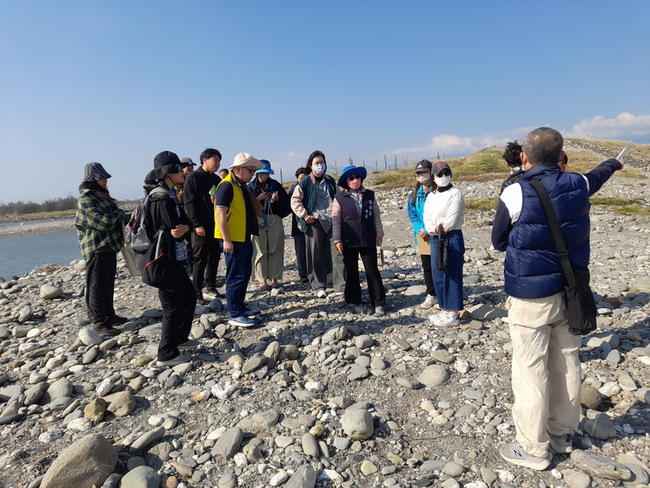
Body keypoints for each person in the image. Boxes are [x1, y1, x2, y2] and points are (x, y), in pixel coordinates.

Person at [491, 127, 623, 470]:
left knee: (530, 368)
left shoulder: (516, 191)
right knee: (566, 361)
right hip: (570, 290)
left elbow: (498, 240)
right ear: (561, 155)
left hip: (530, 295)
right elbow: (598, 175)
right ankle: (563, 434)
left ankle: (533, 448)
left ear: (524, 157)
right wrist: (613, 163)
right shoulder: (578, 183)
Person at [143, 151, 197, 366]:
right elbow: (176, 228)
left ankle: (180, 339)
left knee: (189, 297)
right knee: (172, 307)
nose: (182, 172)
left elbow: (184, 223)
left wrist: (186, 227)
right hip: (164, 260)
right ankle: (166, 353)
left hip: (173, 259)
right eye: (177, 169)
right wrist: (185, 227)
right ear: (167, 173)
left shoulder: (169, 194)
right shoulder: (161, 198)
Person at [74, 162, 127, 337]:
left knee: (107, 283)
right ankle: (98, 322)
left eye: (104, 178)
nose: (105, 180)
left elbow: (115, 218)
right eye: (101, 178)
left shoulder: (103, 196)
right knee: (96, 286)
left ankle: (109, 315)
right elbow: (103, 222)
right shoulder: (86, 199)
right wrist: (119, 214)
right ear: (92, 180)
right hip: (97, 247)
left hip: (109, 246)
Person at [214, 152, 263, 327]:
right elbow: (220, 213)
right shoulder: (226, 186)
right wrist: (226, 240)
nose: (252, 174)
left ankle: (241, 308)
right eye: (250, 170)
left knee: (244, 273)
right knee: (235, 275)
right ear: (238, 169)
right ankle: (235, 313)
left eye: (253, 171)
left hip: (242, 236)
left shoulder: (240, 185)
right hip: (232, 238)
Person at [332, 165, 386, 315]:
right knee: (351, 270)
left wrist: (379, 233)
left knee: (372, 270)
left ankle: (378, 302)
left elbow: (376, 215)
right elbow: (336, 220)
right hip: (348, 239)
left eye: (357, 177)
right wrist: (337, 239)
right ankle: (352, 300)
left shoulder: (370, 195)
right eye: (351, 178)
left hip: (368, 238)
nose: (355, 180)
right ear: (346, 181)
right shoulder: (339, 198)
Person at [290, 150, 345, 298]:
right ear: (310, 166)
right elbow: (295, 201)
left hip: (332, 220)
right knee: (315, 253)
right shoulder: (305, 182)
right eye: (317, 163)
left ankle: (340, 285)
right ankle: (319, 285)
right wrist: (304, 215)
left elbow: (338, 198)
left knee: (338, 252)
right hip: (315, 221)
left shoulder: (331, 181)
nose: (320, 165)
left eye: (322, 162)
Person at [423, 161, 465, 327]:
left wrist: (440, 228)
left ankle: (453, 310)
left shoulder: (455, 193)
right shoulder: (431, 195)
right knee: (438, 272)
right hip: (435, 238)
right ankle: (444, 306)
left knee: (452, 272)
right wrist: (432, 228)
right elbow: (426, 217)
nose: (443, 176)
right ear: (434, 176)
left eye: (446, 173)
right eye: (440, 174)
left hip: (451, 236)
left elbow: (451, 220)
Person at [183, 148, 223, 301]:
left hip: (215, 225)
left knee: (214, 256)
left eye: (219, 161)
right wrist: (196, 224)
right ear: (205, 160)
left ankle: (211, 287)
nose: (218, 164)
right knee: (200, 258)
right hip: (200, 226)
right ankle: (197, 292)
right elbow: (189, 203)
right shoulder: (193, 177)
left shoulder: (216, 179)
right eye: (215, 160)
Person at [248, 160, 291, 290]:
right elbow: (246, 205)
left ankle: (275, 278)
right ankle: (262, 280)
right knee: (259, 250)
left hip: (274, 218)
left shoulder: (275, 185)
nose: (263, 176)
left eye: (266, 174)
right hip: (258, 219)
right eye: (261, 173)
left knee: (276, 248)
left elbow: (286, 203)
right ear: (257, 173)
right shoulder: (251, 186)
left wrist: (277, 200)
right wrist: (259, 199)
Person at [407, 160, 437, 308]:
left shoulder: (438, 191)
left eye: (424, 172)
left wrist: (428, 229)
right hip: (422, 236)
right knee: (427, 266)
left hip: (436, 233)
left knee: (441, 264)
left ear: (431, 173)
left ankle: (443, 292)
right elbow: (412, 214)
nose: (421, 175)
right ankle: (431, 293)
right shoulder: (414, 194)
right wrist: (420, 228)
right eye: (418, 173)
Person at [290, 167, 311, 283]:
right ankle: (303, 274)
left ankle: (313, 272)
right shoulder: (294, 189)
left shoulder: (311, 187)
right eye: (301, 178)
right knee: (300, 250)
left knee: (312, 249)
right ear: (297, 178)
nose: (303, 180)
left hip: (310, 222)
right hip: (297, 223)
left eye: (305, 178)